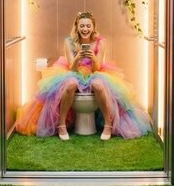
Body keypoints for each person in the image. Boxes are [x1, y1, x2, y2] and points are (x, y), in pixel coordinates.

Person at [14, 11, 151, 141]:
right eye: (82, 26)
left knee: (98, 85)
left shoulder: (100, 42)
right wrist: (78, 58)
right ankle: (61, 126)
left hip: (94, 73)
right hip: (74, 72)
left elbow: (97, 68)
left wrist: (94, 58)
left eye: (88, 26)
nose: (85, 29)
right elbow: (71, 69)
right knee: (70, 84)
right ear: (77, 26)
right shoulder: (69, 42)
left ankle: (108, 125)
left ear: (93, 27)